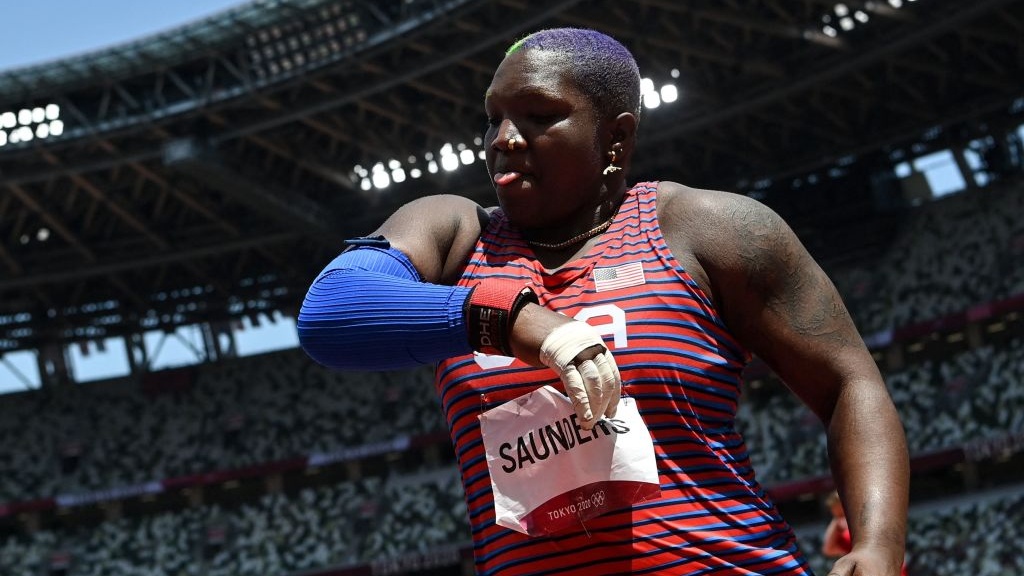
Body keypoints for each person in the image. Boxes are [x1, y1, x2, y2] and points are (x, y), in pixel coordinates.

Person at [298, 27, 909, 575]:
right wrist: (516, 320)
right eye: (493, 118)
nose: (504, 139)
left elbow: (847, 384)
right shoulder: (455, 237)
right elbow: (330, 311)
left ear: (615, 137)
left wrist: (878, 546)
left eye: (539, 115)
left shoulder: (705, 229)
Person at [823, 490, 909, 575]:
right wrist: (836, 521)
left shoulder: (869, 519)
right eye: (837, 515)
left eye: (841, 514)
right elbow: (828, 549)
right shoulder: (842, 532)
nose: (841, 519)